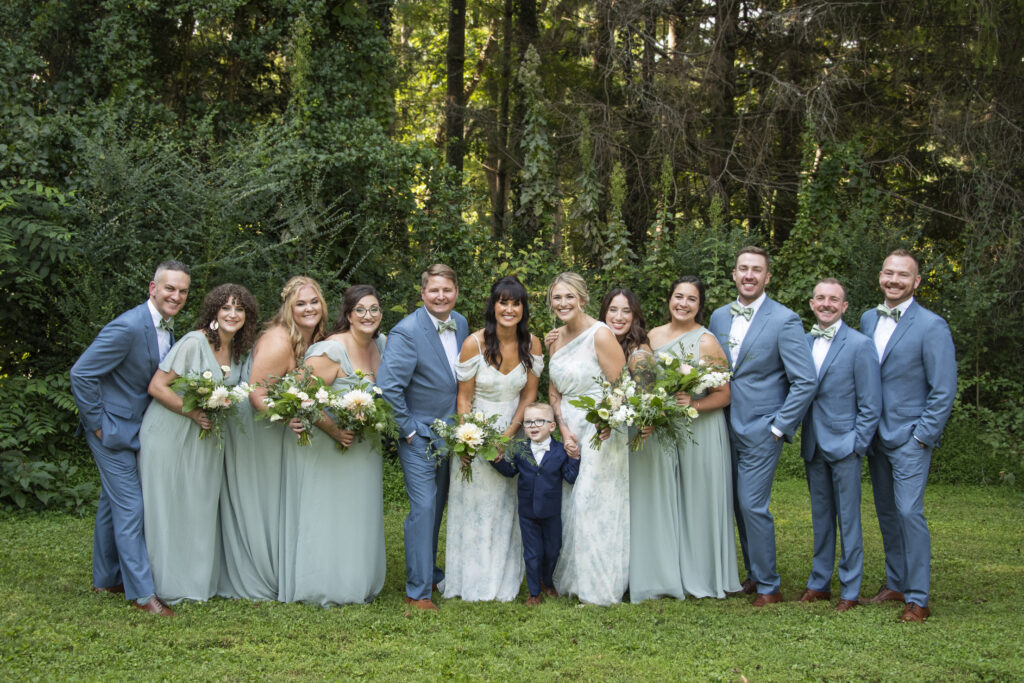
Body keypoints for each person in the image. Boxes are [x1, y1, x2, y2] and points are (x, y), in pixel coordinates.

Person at [70, 260, 191, 616]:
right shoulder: (127, 326)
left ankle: (106, 577)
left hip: (134, 430)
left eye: (183, 291)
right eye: (169, 288)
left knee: (112, 501)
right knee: (130, 506)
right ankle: (143, 594)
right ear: (152, 288)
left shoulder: (165, 326)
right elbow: (81, 373)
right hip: (110, 431)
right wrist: (97, 425)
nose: (176, 296)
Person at [708, 246, 816, 606]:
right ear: (734, 274)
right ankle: (754, 574)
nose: (749, 275)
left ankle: (770, 586)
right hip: (722, 425)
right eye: (743, 269)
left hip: (762, 428)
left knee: (753, 505)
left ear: (767, 277)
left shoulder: (785, 320)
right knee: (737, 505)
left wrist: (779, 426)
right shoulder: (719, 317)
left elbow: (805, 380)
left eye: (757, 270)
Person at [138, 283, 258, 603]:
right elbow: (157, 386)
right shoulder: (195, 342)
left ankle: (194, 582)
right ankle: (163, 586)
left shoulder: (236, 350)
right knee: (169, 507)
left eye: (239, 308)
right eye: (226, 308)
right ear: (214, 312)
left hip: (204, 438)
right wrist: (191, 412)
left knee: (198, 508)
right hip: (170, 433)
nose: (233, 314)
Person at [859, 250, 956, 622]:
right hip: (874, 437)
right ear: (880, 276)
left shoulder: (932, 326)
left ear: (916, 282)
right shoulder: (868, 318)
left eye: (903, 275)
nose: (894, 280)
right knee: (886, 513)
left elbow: (943, 388)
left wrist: (922, 436)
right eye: (888, 273)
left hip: (910, 437)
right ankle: (896, 583)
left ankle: (919, 598)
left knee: (909, 512)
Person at [278, 285, 387, 606]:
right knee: (328, 514)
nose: (369, 316)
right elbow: (298, 397)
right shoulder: (331, 350)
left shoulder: (382, 344)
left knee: (357, 514)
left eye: (375, 309)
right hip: (330, 447)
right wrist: (333, 429)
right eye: (361, 310)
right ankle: (323, 585)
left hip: (365, 448)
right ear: (348, 315)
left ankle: (356, 581)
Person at [219, 276, 327, 601]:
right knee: (261, 499)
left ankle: (281, 568)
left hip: (275, 428)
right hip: (257, 427)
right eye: (300, 304)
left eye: (314, 301)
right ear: (288, 308)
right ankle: (259, 571)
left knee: (277, 499)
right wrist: (288, 416)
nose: (308, 308)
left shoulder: (314, 340)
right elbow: (257, 393)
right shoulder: (279, 340)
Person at [443, 276, 542, 602]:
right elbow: (464, 400)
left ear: (524, 308)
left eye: (516, 303)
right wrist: (471, 439)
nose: (509, 309)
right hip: (476, 431)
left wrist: (507, 437)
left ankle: (504, 580)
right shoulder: (474, 343)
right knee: (475, 507)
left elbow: (529, 396)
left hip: (512, 434)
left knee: (507, 507)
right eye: (504, 302)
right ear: (493, 306)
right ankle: (470, 581)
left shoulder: (533, 344)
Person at [378, 264, 468, 612]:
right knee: (424, 508)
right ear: (422, 293)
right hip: (419, 436)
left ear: (455, 292)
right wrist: (410, 431)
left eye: (447, 289)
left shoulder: (460, 323)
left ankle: (430, 572)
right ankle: (417, 592)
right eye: (434, 290)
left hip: (451, 434)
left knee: (438, 508)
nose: (441, 296)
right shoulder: (406, 332)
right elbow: (389, 389)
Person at [646, 276, 741, 600]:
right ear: (669, 299)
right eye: (678, 296)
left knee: (699, 501)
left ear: (700, 306)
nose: (683, 304)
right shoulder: (653, 336)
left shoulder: (706, 342)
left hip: (700, 428)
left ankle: (702, 574)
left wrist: (694, 405)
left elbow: (724, 394)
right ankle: (667, 572)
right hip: (663, 430)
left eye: (691, 299)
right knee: (666, 500)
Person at [798, 278, 881, 612]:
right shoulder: (803, 342)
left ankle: (850, 589)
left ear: (845, 306)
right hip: (814, 443)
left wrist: (857, 444)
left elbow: (871, 403)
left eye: (834, 299)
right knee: (821, 517)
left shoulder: (860, 345)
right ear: (811, 303)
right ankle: (820, 582)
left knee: (849, 519)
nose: (827, 304)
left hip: (846, 444)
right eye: (820, 298)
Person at [546, 273, 628, 605]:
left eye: (569, 297)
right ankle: (576, 580)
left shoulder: (601, 335)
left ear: (583, 299)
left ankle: (601, 586)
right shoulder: (553, 339)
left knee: (592, 507)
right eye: (556, 298)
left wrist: (605, 419)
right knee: (570, 507)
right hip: (570, 430)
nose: (562, 303)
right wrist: (563, 428)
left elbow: (621, 388)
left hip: (600, 431)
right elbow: (553, 392)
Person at [491, 402, 580, 605]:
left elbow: (570, 477)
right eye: (529, 422)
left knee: (552, 549)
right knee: (532, 552)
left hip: (551, 512)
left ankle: (546, 581)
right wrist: (495, 460)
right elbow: (510, 471)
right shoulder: (519, 449)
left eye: (539, 421)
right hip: (528, 512)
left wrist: (574, 458)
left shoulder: (559, 450)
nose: (533, 425)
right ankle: (533, 593)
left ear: (552, 426)